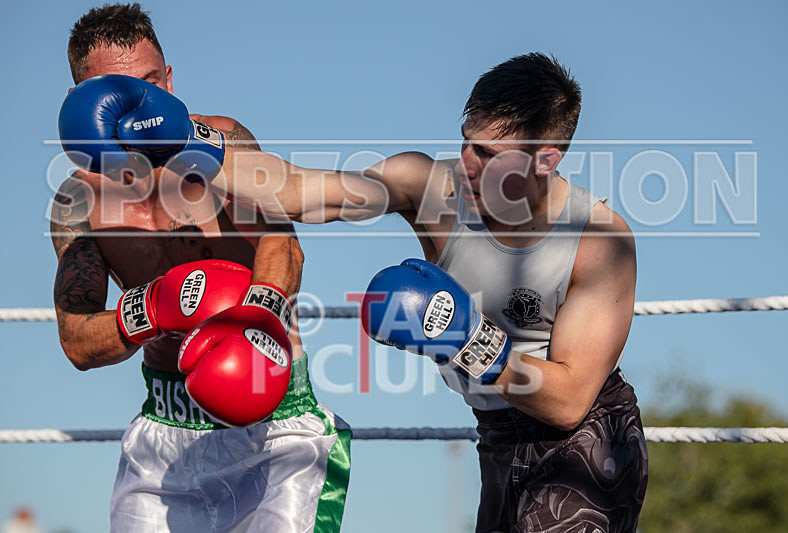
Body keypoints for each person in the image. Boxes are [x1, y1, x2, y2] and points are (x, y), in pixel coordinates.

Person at [65, 50, 647, 530]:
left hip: (587, 440)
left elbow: (569, 400)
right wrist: (187, 139)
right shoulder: (432, 185)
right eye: (467, 140)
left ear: (547, 159)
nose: (468, 161)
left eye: (490, 154)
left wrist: (468, 340)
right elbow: (299, 192)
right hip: (496, 436)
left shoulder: (598, 242)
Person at [51, 4, 349, 531]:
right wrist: (151, 309)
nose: (135, 113)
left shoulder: (221, 143)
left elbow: (284, 246)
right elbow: (76, 340)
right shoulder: (78, 203)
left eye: (147, 87)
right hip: (164, 434)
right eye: (113, 97)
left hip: (274, 424)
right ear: (81, 105)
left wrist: (256, 320)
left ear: (168, 79)